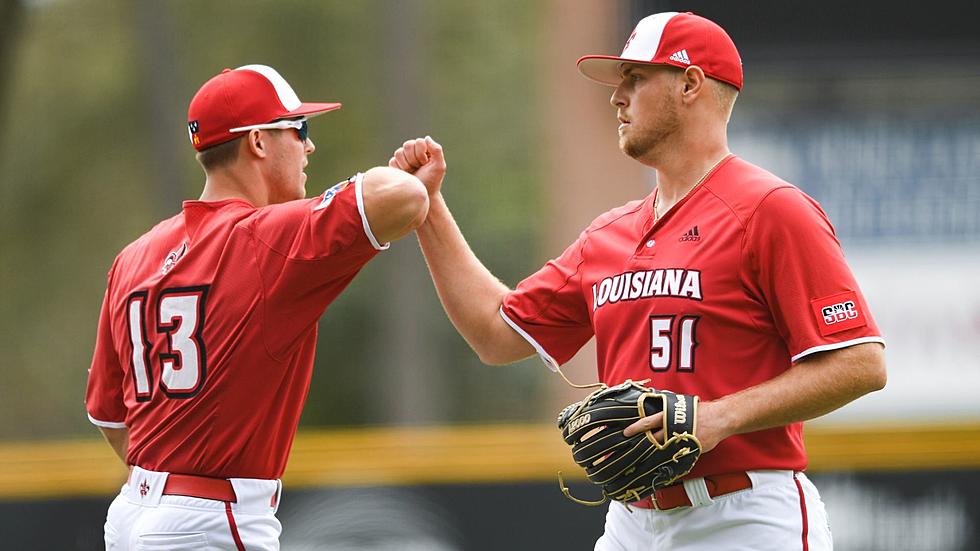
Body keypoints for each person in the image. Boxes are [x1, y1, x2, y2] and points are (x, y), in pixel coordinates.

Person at [391, 12, 886, 551]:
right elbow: (494, 333)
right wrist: (429, 207)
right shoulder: (608, 235)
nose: (616, 97)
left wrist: (718, 417)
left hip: (743, 517)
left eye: (636, 78)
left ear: (690, 83)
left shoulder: (770, 211)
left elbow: (860, 363)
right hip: (631, 523)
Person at [85, 64, 430, 550]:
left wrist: (168, 482)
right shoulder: (267, 238)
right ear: (259, 142)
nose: (309, 146)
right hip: (208, 521)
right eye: (298, 129)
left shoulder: (133, 257)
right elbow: (406, 196)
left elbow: (111, 419)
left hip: (132, 513)